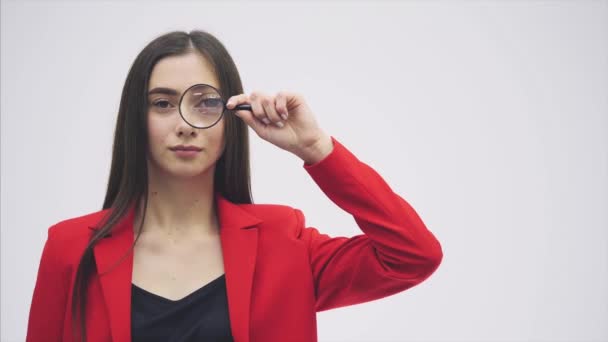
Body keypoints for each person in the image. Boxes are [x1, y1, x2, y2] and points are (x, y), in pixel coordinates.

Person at [25, 30, 443, 342]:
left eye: (205, 103)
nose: (185, 125)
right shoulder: (70, 248)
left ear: (231, 118)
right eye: (163, 103)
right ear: (136, 119)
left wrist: (316, 148)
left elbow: (413, 256)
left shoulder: (284, 242)